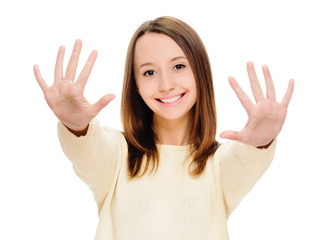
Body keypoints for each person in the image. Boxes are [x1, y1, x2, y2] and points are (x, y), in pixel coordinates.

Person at [34, 16, 294, 240]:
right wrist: (75, 124)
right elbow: (89, 150)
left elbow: (244, 162)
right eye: (149, 72)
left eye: (179, 66)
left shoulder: (218, 166)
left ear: (200, 72)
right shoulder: (117, 156)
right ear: (135, 84)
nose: (166, 84)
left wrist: (262, 142)